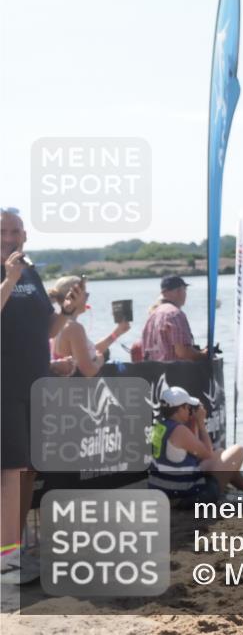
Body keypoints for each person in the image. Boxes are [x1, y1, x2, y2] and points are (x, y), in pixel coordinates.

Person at [1, 208, 77, 584]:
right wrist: (8, 279)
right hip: (4, 388)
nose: (10, 237)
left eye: (16, 231)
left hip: (36, 383)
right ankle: (7, 562)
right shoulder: (10, 274)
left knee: (29, 470)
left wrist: (66, 311)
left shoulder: (30, 272)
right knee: (9, 474)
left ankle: (14, 550)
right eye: (3, 231)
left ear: (25, 236)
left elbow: (46, 329)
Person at [149, 386, 243, 506]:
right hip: (184, 497)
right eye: (187, 407)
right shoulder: (179, 430)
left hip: (163, 491)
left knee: (220, 453)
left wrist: (194, 423)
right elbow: (207, 453)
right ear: (179, 409)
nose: (189, 410)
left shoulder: (160, 426)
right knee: (238, 451)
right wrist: (200, 423)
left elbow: (195, 455)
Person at [49, 275, 130, 377]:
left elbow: (85, 353)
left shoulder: (59, 324)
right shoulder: (74, 328)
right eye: (86, 294)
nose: (87, 298)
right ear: (74, 296)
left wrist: (117, 333)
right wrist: (99, 361)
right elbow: (89, 371)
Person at [140, 276, 208, 362]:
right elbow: (182, 352)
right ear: (179, 291)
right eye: (185, 290)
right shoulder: (175, 314)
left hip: (154, 373)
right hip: (175, 373)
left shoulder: (152, 316)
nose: (185, 294)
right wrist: (204, 354)